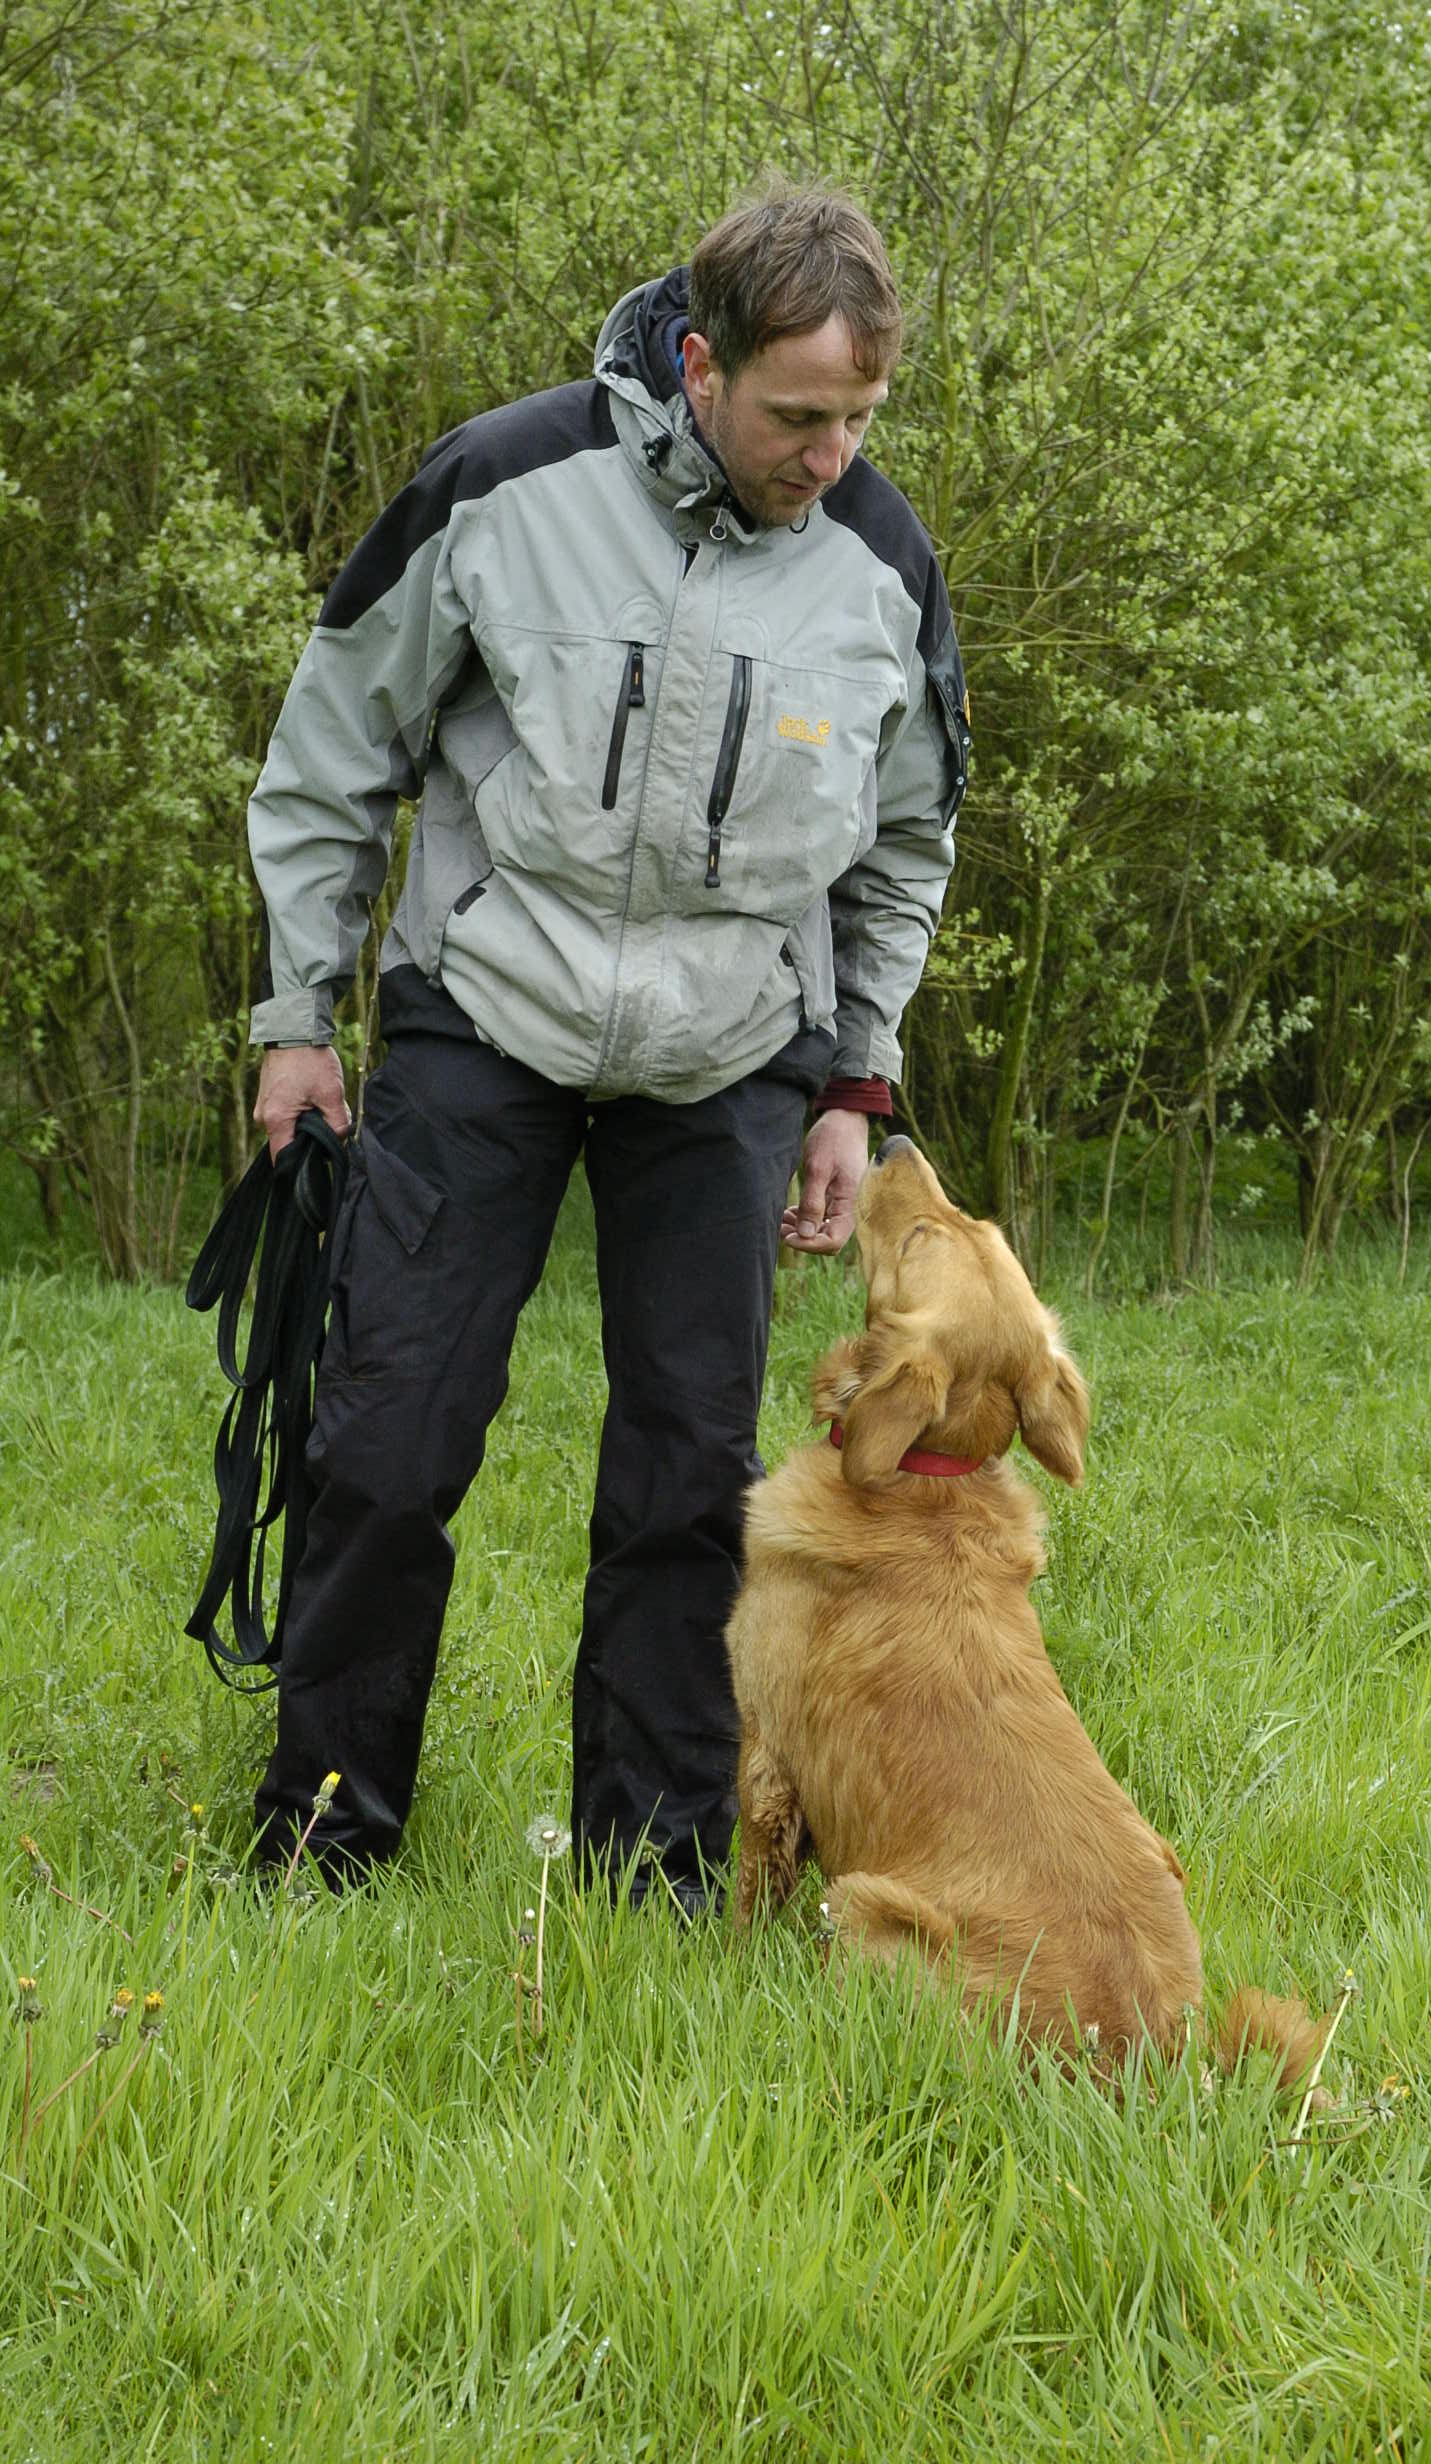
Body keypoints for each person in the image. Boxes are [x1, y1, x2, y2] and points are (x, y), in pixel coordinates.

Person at [245, 183, 970, 1903]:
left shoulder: (882, 563)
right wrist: (296, 1018)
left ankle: (652, 1869)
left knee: (689, 1480)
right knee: (389, 1441)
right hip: (485, 1016)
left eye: (862, 419)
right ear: (700, 366)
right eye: (798, 417)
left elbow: (904, 844)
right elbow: (334, 744)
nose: (831, 458)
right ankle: (323, 1834)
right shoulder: (503, 484)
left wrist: (854, 1083)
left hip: (733, 1053)